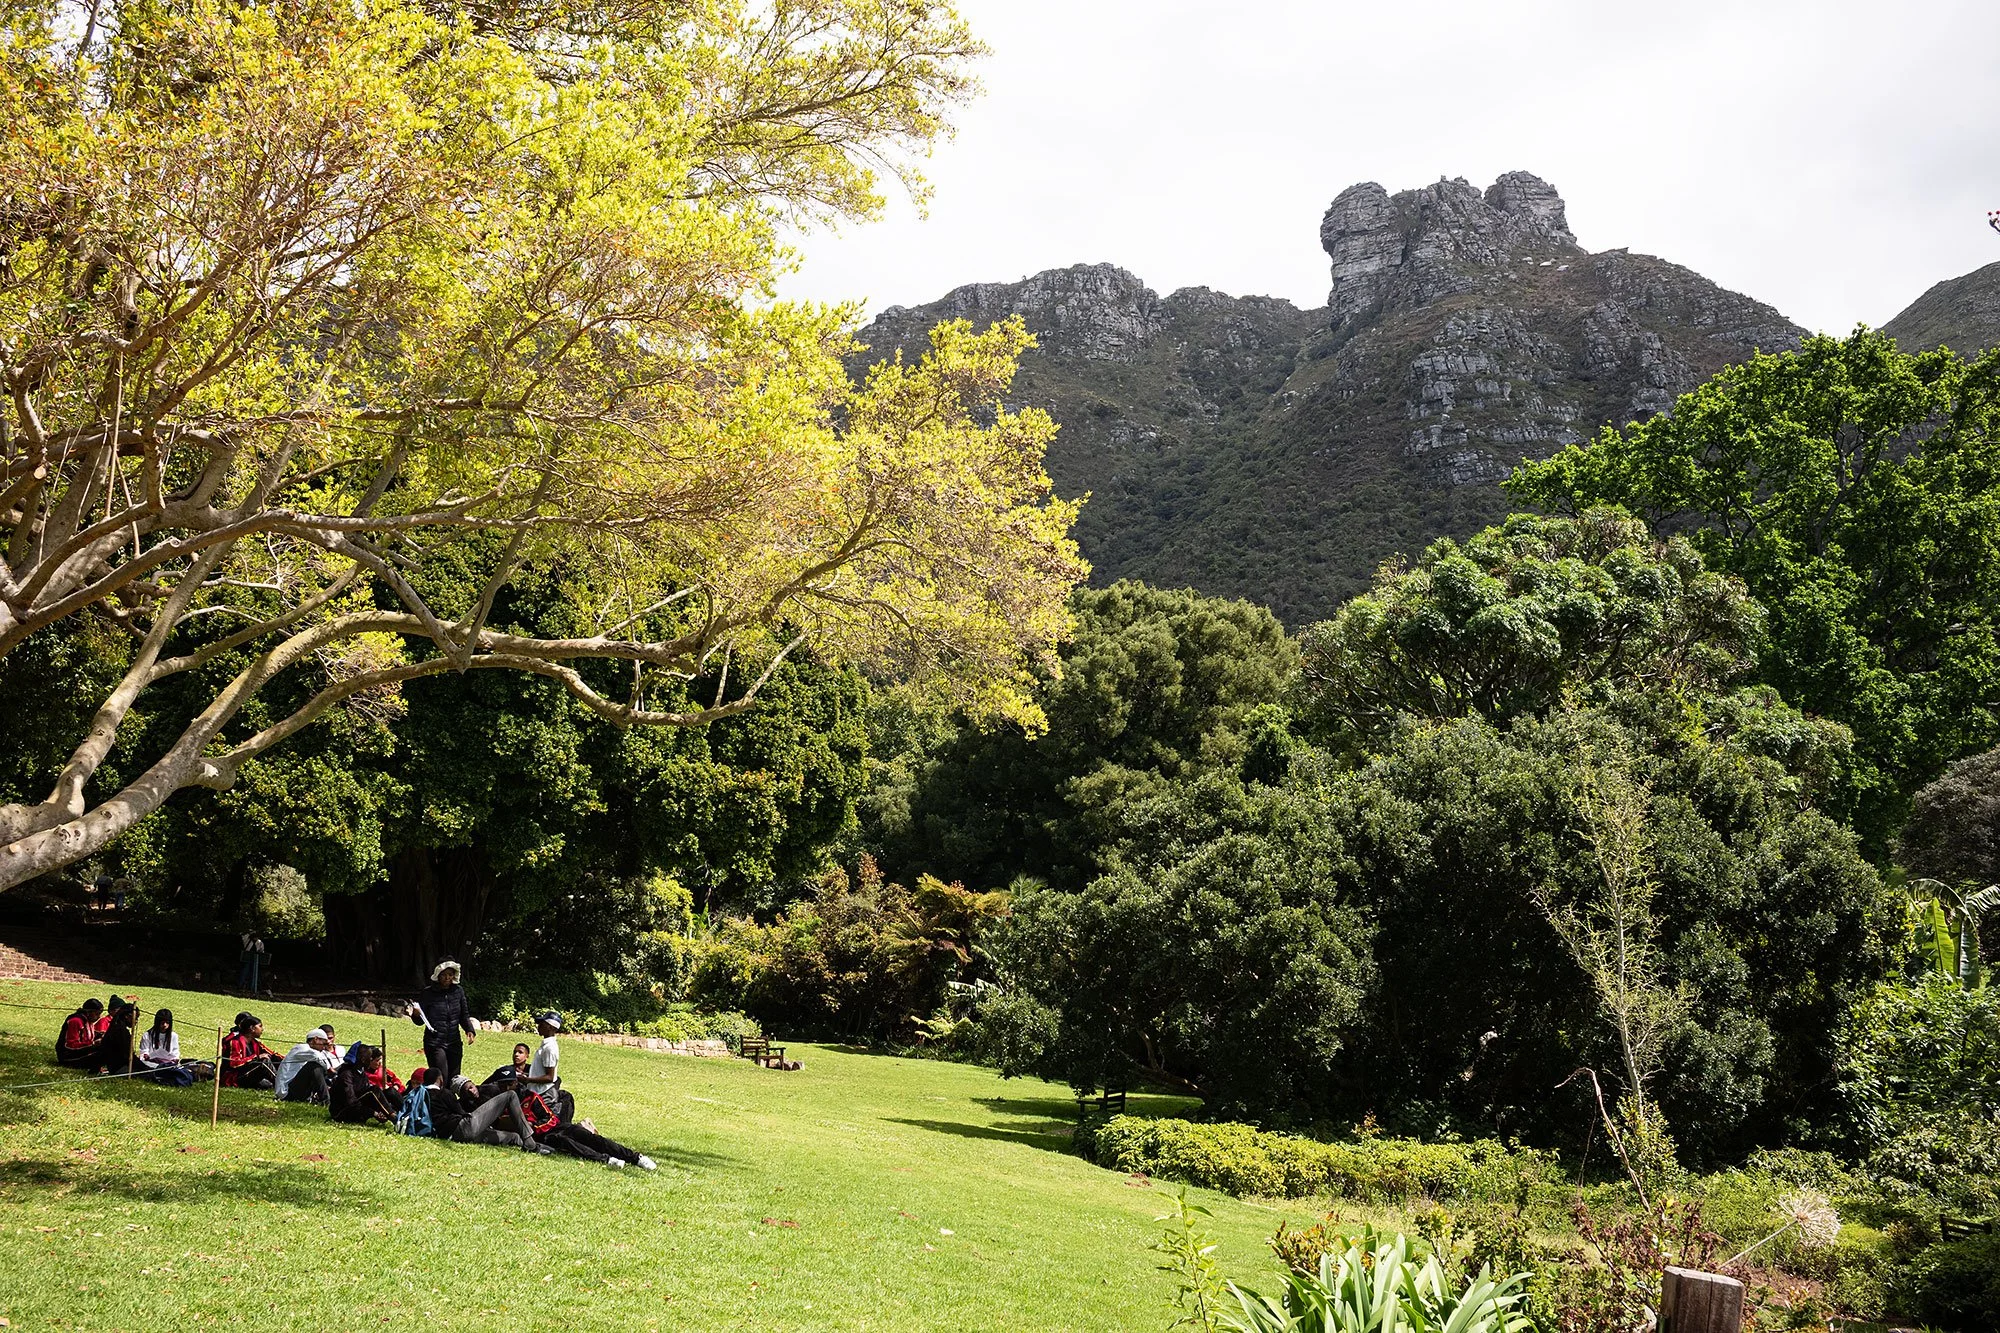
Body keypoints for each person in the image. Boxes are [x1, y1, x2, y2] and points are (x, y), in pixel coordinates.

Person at [423, 1071, 546, 1152]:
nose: (472, 1091)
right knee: (510, 1095)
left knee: (513, 1137)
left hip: (457, 1136)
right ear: (440, 1080)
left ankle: (545, 1148)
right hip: (463, 1128)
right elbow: (462, 1114)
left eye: (471, 1086)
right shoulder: (444, 1094)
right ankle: (530, 1143)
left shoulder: (421, 1095)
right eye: (467, 1091)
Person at [410, 961, 477, 1079]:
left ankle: (450, 1098)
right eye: (444, 975)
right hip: (435, 1042)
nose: (447, 978)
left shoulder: (458, 991)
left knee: (454, 1078)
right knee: (441, 1077)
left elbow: (464, 1014)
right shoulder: (428, 993)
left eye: (450, 975)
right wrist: (415, 1015)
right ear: (438, 975)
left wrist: (469, 1030)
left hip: (454, 1041)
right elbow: (420, 1021)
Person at [329, 1044, 400, 1124]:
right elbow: (351, 1102)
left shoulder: (360, 1072)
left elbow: (364, 1095)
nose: (371, 1060)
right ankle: (394, 1118)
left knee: (387, 1091)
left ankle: (404, 1114)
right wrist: (374, 1113)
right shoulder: (346, 1074)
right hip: (341, 1113)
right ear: (363, 1059)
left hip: (356, 1108)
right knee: (374, 1091)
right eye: (370, 1058)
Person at [275, 1026, 340, 1104]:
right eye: (324, 1043)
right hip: (287, 1093)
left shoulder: (311, 1051)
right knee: (314, 1066)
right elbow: (317, 1057)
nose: (324, 1047)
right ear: (315, 1039)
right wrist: (329, 1069)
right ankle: (326, 1101)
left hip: (297, 1090)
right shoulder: (301, 1048)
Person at [136, 1008, 195, 1086]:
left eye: (167, 1023)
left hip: (167, 1064)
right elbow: (143, 1053)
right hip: (151, 1064)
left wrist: (175, 1059)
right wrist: (148, 1056)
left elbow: (175, 1053)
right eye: (162, 1023)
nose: (164, 1025)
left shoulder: (173, 1036)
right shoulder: (147, 1035)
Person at [221, 1012, 280, 1089]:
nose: (262, 1029)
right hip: (235, 1077)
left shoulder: (255, 1043)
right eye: (260, 1026)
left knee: (268, 1084)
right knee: (264, 1062)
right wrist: (256, 1057)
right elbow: (234, 1063)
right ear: (252, 1028)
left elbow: (272, 1054)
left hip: (247, 1073)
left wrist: (288, 1059)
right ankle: (281, 1085)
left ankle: (283, 1082)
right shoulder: (235, 1042)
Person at [519, 1012, 562, 1104]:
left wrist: (527, 1080)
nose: (539, 1026)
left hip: (544, 1093)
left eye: (542, 1024)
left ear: (550, 1027)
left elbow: (550, 1077)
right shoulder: (546, 1045)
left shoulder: (549, 1048)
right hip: (538, 1091)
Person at [55, 998, 110, 1070]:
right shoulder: (75, 1021)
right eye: (97, 1014)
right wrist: (93, 1044)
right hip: (69, 1057)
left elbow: (86, 1037)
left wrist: (99, 1035)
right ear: (88, 1012)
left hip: (82, 1052)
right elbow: (71, 1045)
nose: (99, 1016)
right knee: (102, 1054)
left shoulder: (88, 1021)